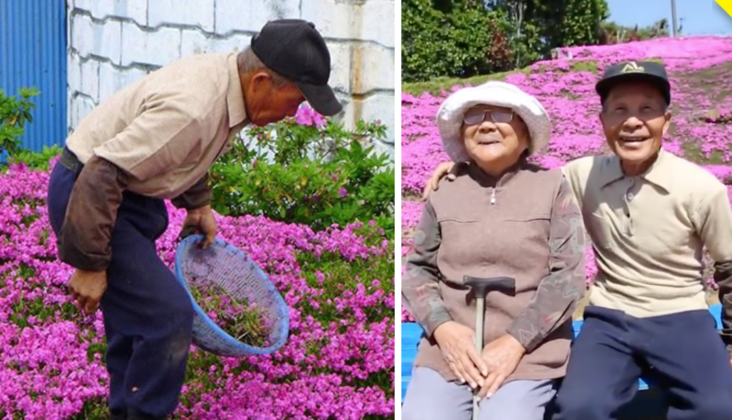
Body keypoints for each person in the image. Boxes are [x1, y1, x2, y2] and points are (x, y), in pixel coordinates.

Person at [422, 61, 732, 420]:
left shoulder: (702, 188)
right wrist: (464, 168)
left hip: (681, 317)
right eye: (619, 110)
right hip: (609, 320)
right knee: (578, 408)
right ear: (603, 122)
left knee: (722, 410)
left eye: (647, 109)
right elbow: (519, 180)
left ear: (667, 120)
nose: (633, 122)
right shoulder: (581, 175)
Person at [46, 19, 342, 420]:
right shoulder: (193, 107)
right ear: (261, 81)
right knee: (167, 317)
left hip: (124, 193)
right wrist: (91, 263)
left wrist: (198, 204)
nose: (295, 113)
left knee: (135, 321)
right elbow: (103, 172)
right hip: (91, 193)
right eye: (297, 99)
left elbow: (187, 150)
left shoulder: (229, 83)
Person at [401, 81, 586, 420]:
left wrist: (515, 341)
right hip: (450, 349)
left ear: (526, 134)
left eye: (501, 114)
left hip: (530, 351)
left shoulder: (552, 187)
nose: (486, 124)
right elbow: (418, 270)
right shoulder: (445, 191)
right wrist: (443, 328)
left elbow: (568, 278)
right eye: (473, 117)